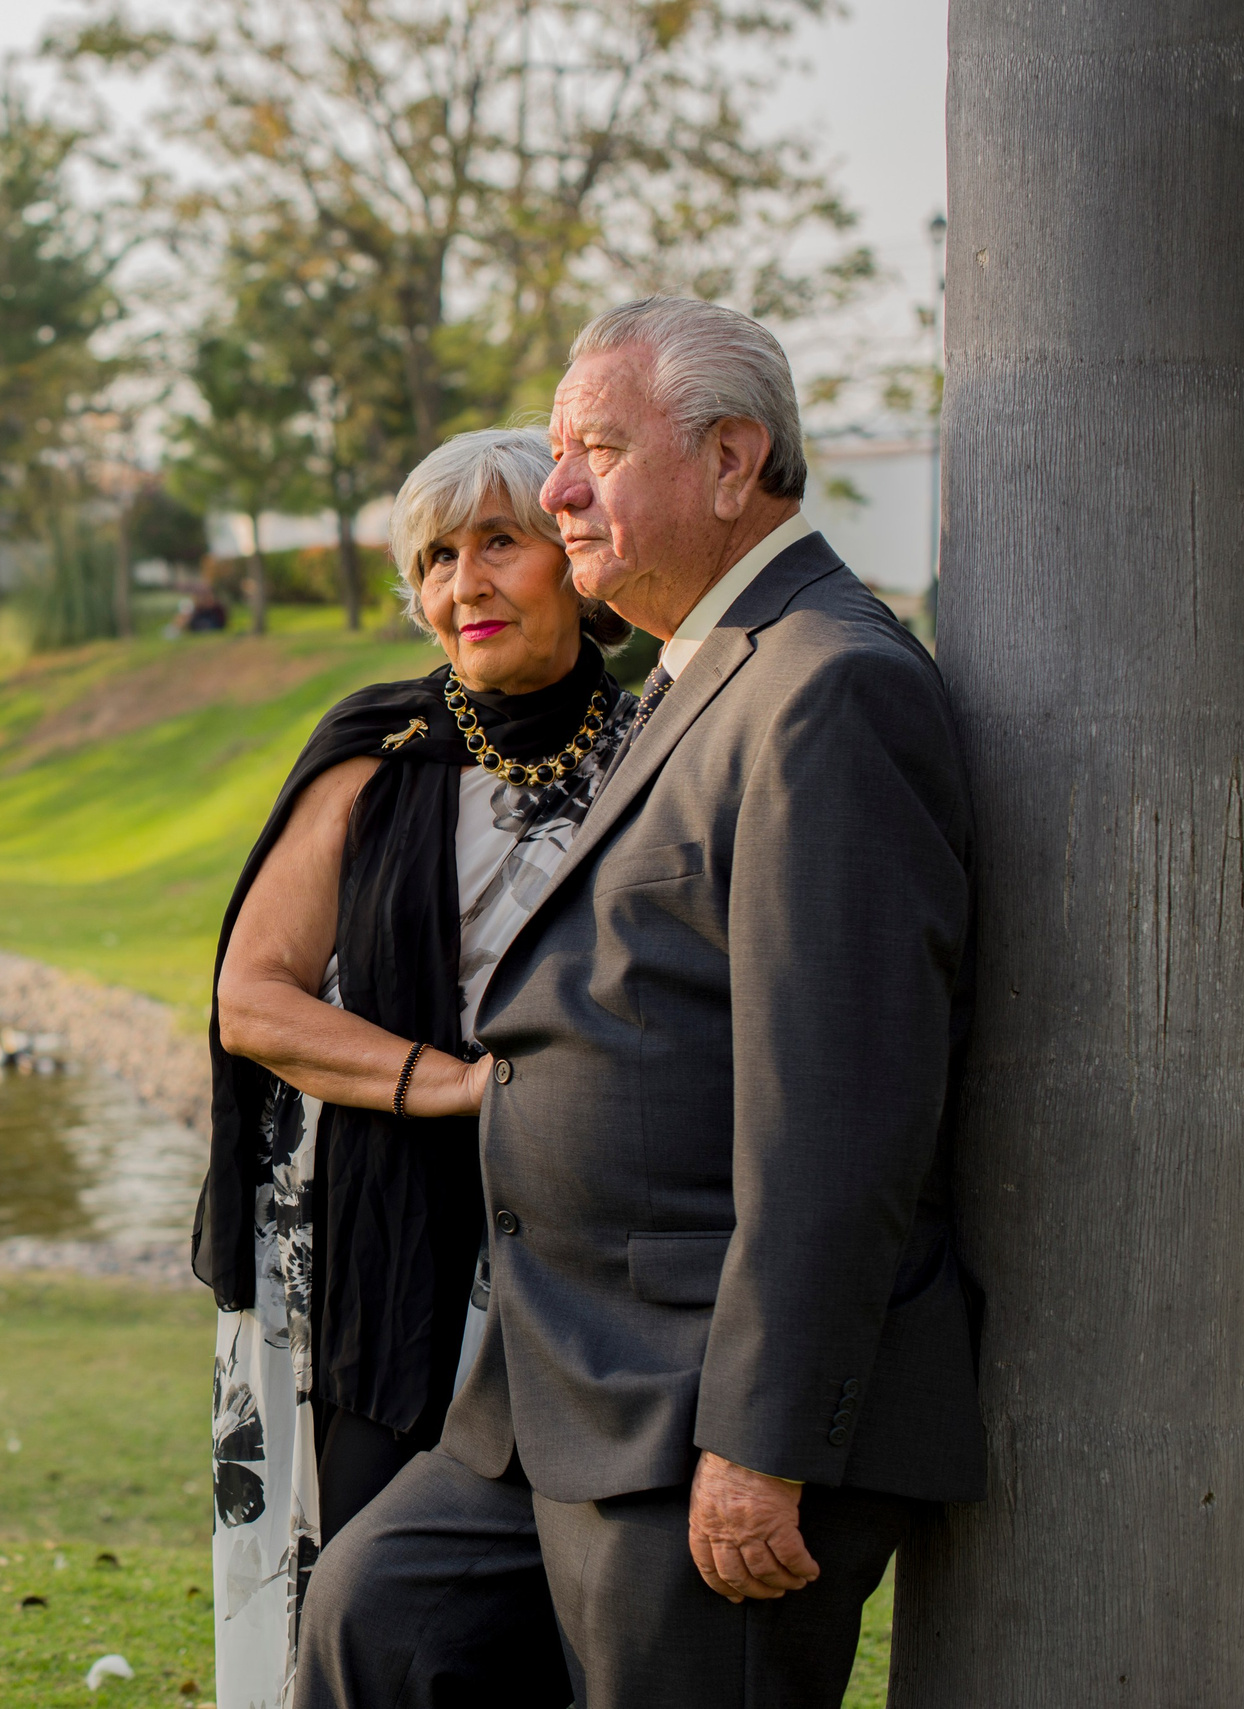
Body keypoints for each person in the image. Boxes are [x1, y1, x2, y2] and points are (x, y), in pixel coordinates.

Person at [292, 297, 985, 1709]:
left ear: (732, 464)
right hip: (551, 1381)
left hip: (699, 1410)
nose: (555, 494)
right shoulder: (693, 666)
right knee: (375, 1625)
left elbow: (841, 1114)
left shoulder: (828, 686)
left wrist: (763, 1439)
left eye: (594, 450)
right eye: (560, 453)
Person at [200, 428, 637, 1708]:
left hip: (582, 1245)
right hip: (376, 1250)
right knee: (382, 1588)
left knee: (563, 1609)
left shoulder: (662, 748)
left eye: (499, 541)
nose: (464, 584)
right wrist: (455, 1087)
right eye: (435, 557)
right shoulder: (373, 756)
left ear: (577, 555)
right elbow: (253, 1001)